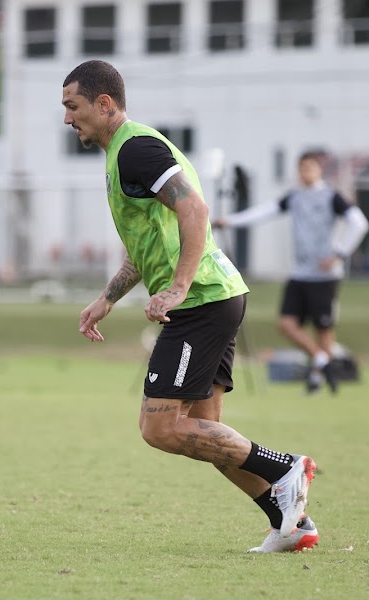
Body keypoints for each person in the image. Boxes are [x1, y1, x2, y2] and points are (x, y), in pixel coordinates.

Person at [63, 60, 318, 553]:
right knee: (207, 434)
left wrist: (179, 287)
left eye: (73, 107)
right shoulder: (123, 155)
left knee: (159, 427)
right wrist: (107, 299)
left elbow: (195, 209)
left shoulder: (135, 148)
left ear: (104, 103)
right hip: (213, 298)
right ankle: (291, 523)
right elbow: (146, 247)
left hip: (201, 299)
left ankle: (284, 468)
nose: (68, 119)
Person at [213, 152, 368, 394]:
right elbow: (263, 212)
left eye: (310, 168)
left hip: (325, 275)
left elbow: (359, 223)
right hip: (300, 273)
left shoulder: (331, 196)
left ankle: (317, 380)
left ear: (319, 170)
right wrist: (229, 221)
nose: (305, 173)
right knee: (286, 323)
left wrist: (339, 253)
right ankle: (322, 360)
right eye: (302, 168)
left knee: (323, 329)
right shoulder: (294, 197)